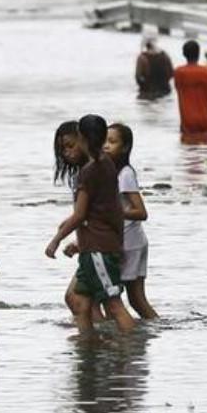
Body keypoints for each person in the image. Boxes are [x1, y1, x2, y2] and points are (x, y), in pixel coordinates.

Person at [46, 115, 135, 334]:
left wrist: (56, 240)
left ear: (83, 139)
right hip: (98, 245)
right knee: (79, 301)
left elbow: (80, 215)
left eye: (71, 144)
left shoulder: (90, 171)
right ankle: (89, 346)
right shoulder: (106, 164)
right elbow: (107, 209)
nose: (66, 152)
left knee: (113, 304)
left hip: (98, 248)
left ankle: (132, 350)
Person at [104, 123, 158, 319]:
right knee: (135, 299)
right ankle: (153, 328)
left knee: (115, 297)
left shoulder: (125, 174)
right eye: (104, 141)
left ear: (125, 147)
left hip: (129, 242)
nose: (106, 146)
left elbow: (141, 212)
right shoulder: (113, 172)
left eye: (112, 142)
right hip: (131, 241)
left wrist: (115, 211)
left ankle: (127, 334)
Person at [173, 39, 207, 144]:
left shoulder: (178, 73)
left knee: (188, 154)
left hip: (188, 123)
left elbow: (178, 88)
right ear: (199, 53)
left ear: (184, 54)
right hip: (206, 122)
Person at [135, 33, 174, 100]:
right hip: (165, 91)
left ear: (145, 44)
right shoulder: (165, 56)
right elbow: (171, 73)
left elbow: (138, 77)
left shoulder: (142, 58)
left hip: (148, 93)